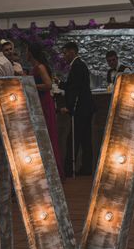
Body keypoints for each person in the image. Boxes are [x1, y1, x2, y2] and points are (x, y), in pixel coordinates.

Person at [57, 41, 95, 177]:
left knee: (74, 140)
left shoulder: (77, 66)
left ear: (72, 52)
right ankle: (86, 168)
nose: (64, 56)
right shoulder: (80, 65)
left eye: (65, 52)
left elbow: (75, 89)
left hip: (81, 108)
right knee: (85, 139)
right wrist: (61, 84)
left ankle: (69, 169)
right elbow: (73, 86)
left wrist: (69, 107)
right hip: (86, 107)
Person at [27, 43, 63, 179]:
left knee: (46, 134)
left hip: (43, 102)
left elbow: (48, 85)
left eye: (27, 51)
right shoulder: (35, 67)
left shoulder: (40, 67)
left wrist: (30, 85)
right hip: (40, 101)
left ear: (31, 52)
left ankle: (51, 172)